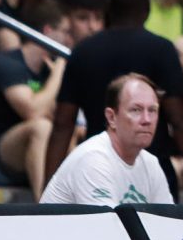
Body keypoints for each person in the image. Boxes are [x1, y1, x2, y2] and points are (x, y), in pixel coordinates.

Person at [45, 0, 183, 199]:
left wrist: (48, 185)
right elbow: (181, 119)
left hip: (102, 166)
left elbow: (62, 124)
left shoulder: (83, 51)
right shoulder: (162, 50)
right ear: (147, 9)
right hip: (137, 166)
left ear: (108, 8)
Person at [0, 0, 69, 200]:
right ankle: (46, 204)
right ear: (48, 31)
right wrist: (61, 68)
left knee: (71, 130)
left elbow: (56, 116)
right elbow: (33, 112)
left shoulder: (47, 70)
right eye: (64, 31)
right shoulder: (8, 64)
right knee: (41, 127)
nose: (68, 39)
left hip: (27, 158)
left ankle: (73, 199)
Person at [41, 73, 172, 205]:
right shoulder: (92, 158)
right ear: (111, 118)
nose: (147, 120)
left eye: (152, 110)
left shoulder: (151, 163)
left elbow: (168, 217)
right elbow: (107, 218)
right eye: (136, 110)